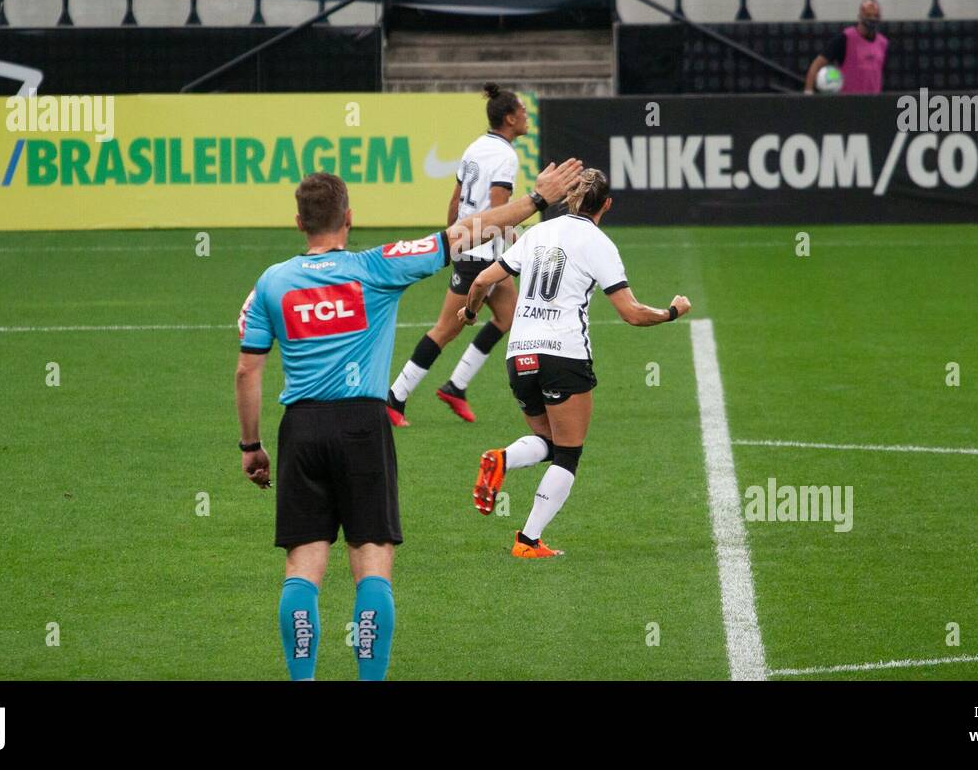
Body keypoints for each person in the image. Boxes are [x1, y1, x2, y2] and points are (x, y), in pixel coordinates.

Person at [235, 159, 583, 679]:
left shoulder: (271, 283)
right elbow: (465, 233)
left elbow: (247, 370)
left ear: (298, 222)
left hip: (301, 430)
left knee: (303, 568)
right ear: (348, 218)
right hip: (361, 427)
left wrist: (252, 446)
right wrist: (536, 200)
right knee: (372, 562)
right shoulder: (377, 266)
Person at [456, 169, 691, 558]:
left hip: (520, 356)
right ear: (607, 205)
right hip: (563, 355)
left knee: (549, 442)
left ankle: (503, 459)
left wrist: (469, 313)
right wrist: (672, 312)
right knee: (568, 453)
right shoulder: (599, 244)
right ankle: (528, 540)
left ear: (568, 199)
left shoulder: (537, 233)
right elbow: (631, 313)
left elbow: (481, 280)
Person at [386, 83, 530, 427]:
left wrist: (452, 242)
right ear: (509, 118)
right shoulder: (506, 157)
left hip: (472, 247)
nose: (527, 116)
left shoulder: (475, 147)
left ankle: (456, 386)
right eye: (523, 111)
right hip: (480, 253)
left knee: (508, 317)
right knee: (446, 330)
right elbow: (499, 210)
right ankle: (395, 397)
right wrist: (523, 245)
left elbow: (455, 199)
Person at [803, 0, 889, 95]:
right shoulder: (845, 38)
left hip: (874, 102)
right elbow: (817, 64)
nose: (872, 19)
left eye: (876, 16)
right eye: (868, 15)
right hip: (848, 102)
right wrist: (808, 92)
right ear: (860, 16)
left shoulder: (883, 43)